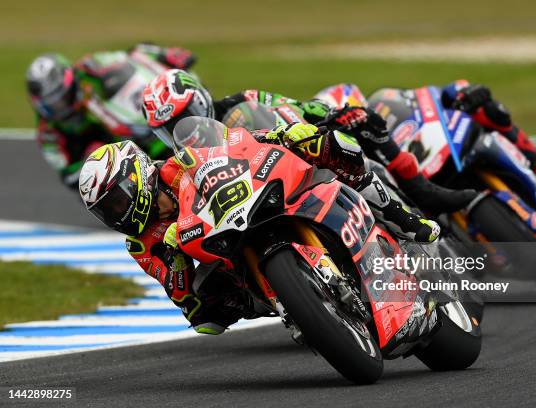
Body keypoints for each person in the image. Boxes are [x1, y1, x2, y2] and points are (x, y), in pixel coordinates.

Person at [78, 116, 440, 334]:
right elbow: (186, 301)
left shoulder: (179, 163)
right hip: (227, 256)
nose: (117, 215)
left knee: (323, 142)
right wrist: (176, 263)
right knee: (209, 309)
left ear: (136, 176)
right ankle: (299, 305)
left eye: (117, 201)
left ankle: (396, 213)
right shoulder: (142, 243)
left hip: (254, 201)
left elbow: (235, 147)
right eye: (106, 212)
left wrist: (277, 137)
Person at [142, 69, 477, 215]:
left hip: (296, 158)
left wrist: (333, 115)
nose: (178, 133)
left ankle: (420, 189)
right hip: (257, 198)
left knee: (364, 121)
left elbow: (297, 108)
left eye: (179, 120)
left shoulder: (243, 101)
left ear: (200, 103)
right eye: (166, 129)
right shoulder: (185, 161)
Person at [26, 44, 196, 190]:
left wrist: (163, 54)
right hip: (108, 157)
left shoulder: (88, 67)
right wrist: (91, 161)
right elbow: (68, 176)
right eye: (54, 104)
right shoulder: (48, 133)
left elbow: (131, 55)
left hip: (129, 123)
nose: (62, 106)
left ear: (70, 81)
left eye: (63, 97)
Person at [439, 81, 536, 207]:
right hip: (429, 173)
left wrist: (465, 91)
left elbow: (451, 89)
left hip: (455, 142)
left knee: (491, 110)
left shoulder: (421, 96)